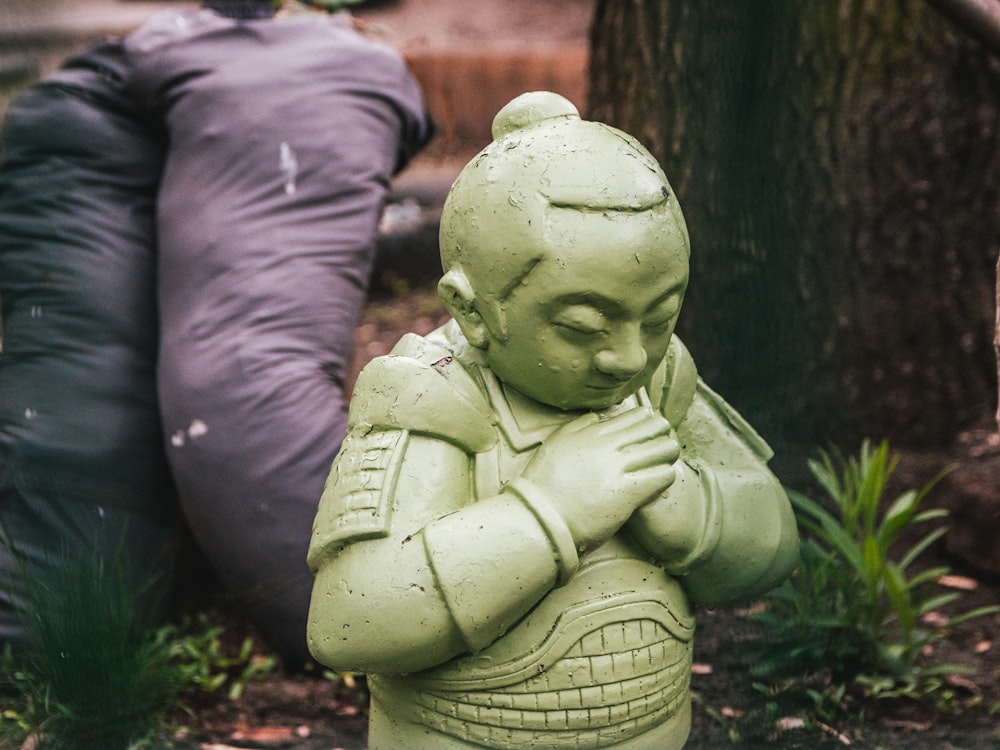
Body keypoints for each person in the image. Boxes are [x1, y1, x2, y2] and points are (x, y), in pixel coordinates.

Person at [306, 91, 798, 749]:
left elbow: (774, 541)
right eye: (579, 327)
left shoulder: (657, 380)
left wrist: (689, 509)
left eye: (657, 318)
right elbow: (350, 621)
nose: (625, 355)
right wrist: (553, 510)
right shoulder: (436, 398)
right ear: (473, 311)